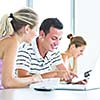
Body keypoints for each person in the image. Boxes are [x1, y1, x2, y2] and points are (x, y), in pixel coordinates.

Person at [15, 18, 76, 83]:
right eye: (54, 38)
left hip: (42, 90)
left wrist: (74, 80)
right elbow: (21, 78)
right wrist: (54, 74)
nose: (57, 43)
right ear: (42, 35)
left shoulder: (54, 50)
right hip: (24, 91)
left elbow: (65, 73)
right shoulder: (26, 49)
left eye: (60, 39)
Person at [0, 8, 42, 89]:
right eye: (36, 29)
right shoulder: (12, 42)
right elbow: (8, 82)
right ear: (27, 29)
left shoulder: (9, 40)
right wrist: (33, 79)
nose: (36, 34)